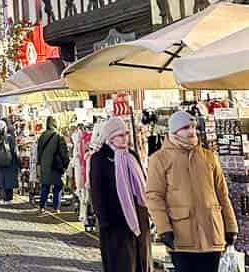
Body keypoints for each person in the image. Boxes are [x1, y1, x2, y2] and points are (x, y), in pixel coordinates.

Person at [146, 109, 237, 272]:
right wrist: (163, 229)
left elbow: (222, 194)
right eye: (186, 127)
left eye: (193, 127)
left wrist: (231, 227)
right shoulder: (159, 159)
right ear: (174, 131)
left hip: (212, 234)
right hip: (182, 237)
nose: (191, 131)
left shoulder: (208, 156)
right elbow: (154, 196)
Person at [89, 117, 151, 272]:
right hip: (115, 224)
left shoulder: (132, 155)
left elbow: (142, 185)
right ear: (110, 137)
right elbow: (97, 192)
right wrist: (104, 221)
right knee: (122, 264)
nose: (125, 138)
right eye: (120, 135)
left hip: (139, 220)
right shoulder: (100, 158)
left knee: (141, 264)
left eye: (126, 134)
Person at [37, 116, 69, 213]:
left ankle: (42, 206)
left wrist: (39, 164)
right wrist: (66, 163)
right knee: (57, 186)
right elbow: (64, 152)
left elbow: (39, 152)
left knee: (45, 186)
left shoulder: (42, 136)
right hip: (56, 165)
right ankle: (56, 207)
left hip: (44, 165)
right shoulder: (59, 136)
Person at [0, 120, 18, 203]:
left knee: (0, 180)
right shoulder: (10, 138)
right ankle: (8, 199)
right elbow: (14, 151)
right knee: (9, 180)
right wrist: (17, 162)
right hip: (10, 162)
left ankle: (1, 197)